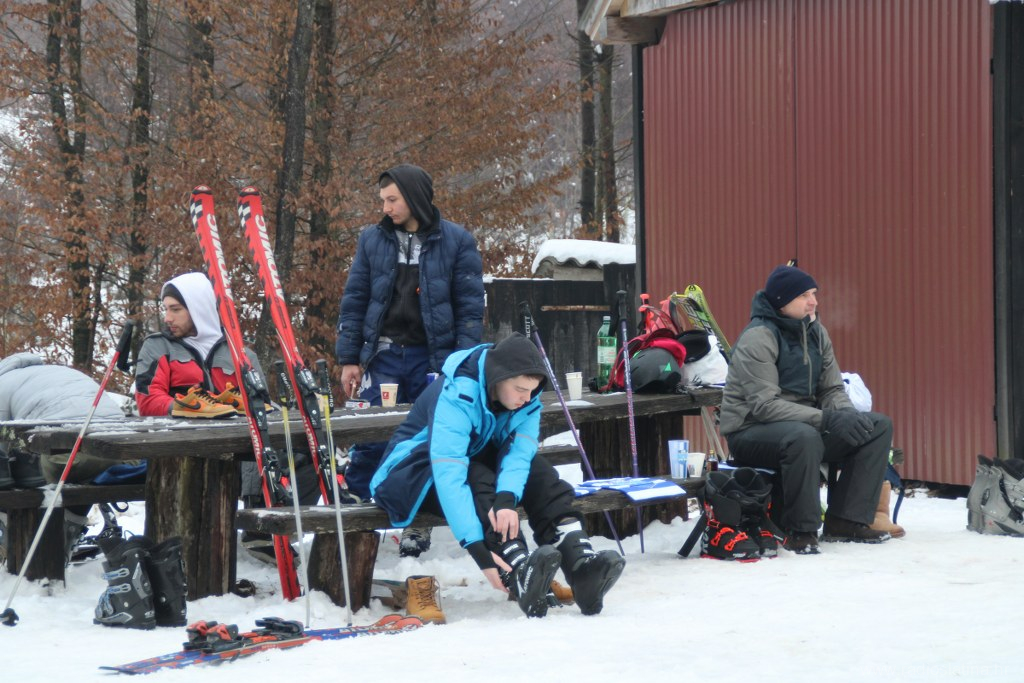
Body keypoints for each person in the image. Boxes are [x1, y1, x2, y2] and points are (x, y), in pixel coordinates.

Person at [370, 333, 626, 622]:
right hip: (410, 473)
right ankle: (518, 569)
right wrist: (477, 549)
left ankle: (580, 564)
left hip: (468, 461)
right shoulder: (458, 393)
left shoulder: (528, 401)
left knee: (541, 473)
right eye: (520, 389)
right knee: (476, 475)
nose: (526, 398)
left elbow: (520, 455)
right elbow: (450, 473)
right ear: (497, 378)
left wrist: (506, 498)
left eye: (532, 390)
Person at [335, 163, 485, 556]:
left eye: (392, 200)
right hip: (383, 355)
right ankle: (356, 515)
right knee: (371, 434)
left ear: (415, 198)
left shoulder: (457, 241)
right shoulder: (372, 239)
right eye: (383, 200)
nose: (385, 208)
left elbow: (470, 309)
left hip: (434, 360)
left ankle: (418, 522)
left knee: (428, 439)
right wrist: (349, 358)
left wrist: (461, 365)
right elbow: (355, 299)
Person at [135, 272, 319, 563]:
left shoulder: (240, 352)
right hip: (183, 447)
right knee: (255, 446)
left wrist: (250, 406)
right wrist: (188, 407)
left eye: (176, 309)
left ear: (199, 308)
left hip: (240, 444)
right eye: (166, 309)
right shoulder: (158, 346)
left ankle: (268, 524)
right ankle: (253, 530)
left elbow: (261, 405)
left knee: (309, 449)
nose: (168, 318)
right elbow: (147, 400)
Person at [720, 264, 893, 555]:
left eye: (813, 293)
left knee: (876, 427)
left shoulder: (816, 332)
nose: (813, 301)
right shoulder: (758, 337)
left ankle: (846, 521)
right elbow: (765, 406)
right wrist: (827, 419)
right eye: (804, 295)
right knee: (804, 437)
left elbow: (832, 389)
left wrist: (847, 416)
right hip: (751, 430)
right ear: (782, 301)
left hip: (803, 426)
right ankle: (800, 530)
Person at [0, 352, 139, 561]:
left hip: (71, 460)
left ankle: (29, 548)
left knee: (21, 476)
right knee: (76, 474)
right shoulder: (59, 372)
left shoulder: (3, 384)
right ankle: (65, 537)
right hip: (127, 458)